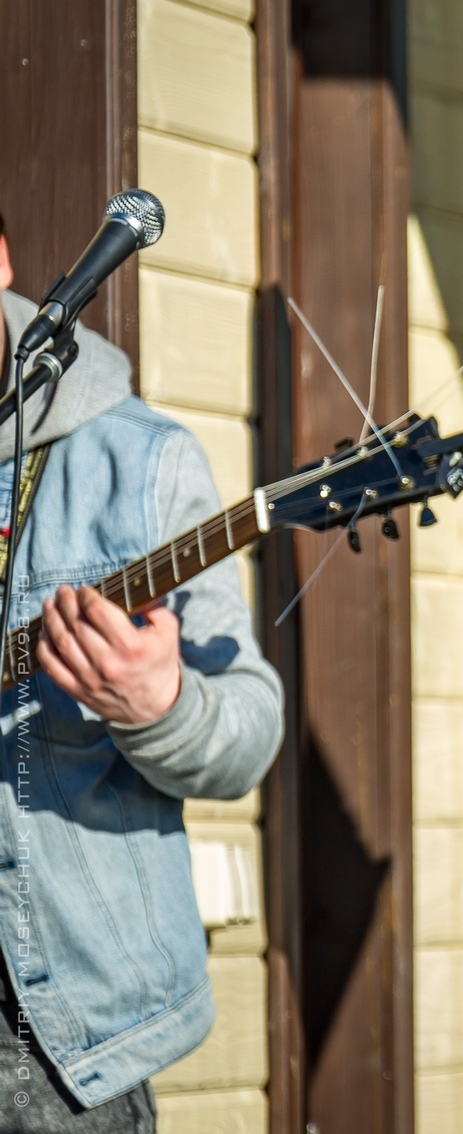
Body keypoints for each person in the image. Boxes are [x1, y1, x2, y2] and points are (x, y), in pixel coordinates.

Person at [0, 212, 284, 1131]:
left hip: (53, 1043)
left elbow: (249, 730)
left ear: (1, 259)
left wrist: (160, 705)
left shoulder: (143, 463)